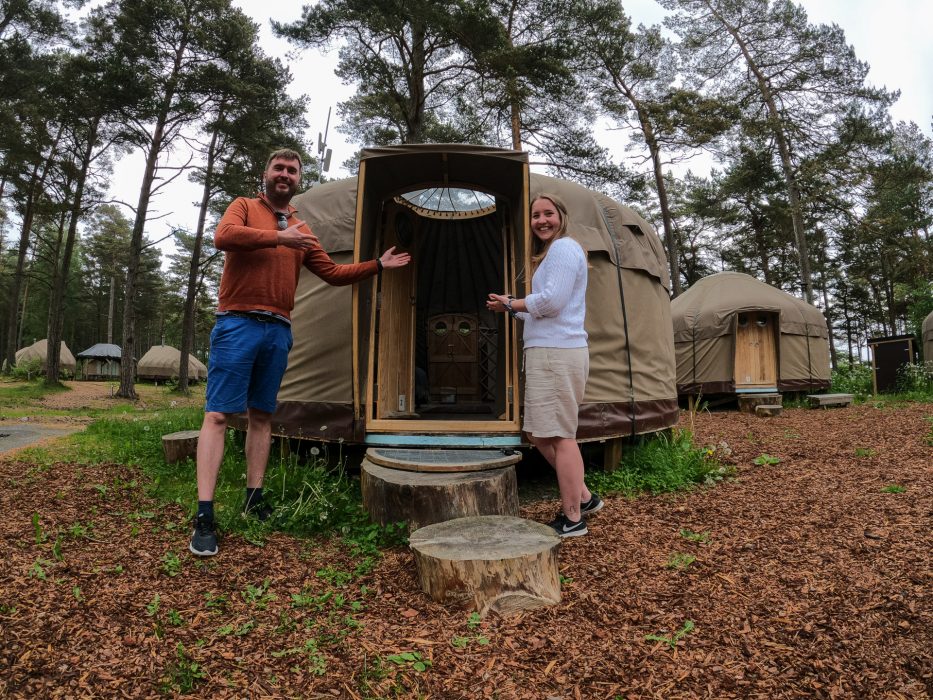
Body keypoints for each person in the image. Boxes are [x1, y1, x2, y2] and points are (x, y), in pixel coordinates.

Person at [189, 148, 411, 556]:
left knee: (262, 415)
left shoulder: (302, 228)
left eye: (292, 170)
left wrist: (377, 265)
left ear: (297, 179)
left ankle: (254, 499)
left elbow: (332, 272)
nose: (285, 174)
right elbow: (223, 237)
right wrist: (278, 236)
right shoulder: (244, 207)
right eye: (279, 168)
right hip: (237, 322)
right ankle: (205, 514)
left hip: (278, 327)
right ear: (266, 173)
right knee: (219, 413)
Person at [486, 193, 602, 538]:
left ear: (561, 215)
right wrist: (510, 308)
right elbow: (543, 309)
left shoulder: (565, 249)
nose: (541, 221)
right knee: (538, 433)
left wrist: (513, 301)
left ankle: (572, 518)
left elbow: (551, 303)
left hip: (557, 352)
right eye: (535, 215)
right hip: (546, 350)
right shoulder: (553, 253)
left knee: (561, 435)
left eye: (548, 213)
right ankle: (584, 497)